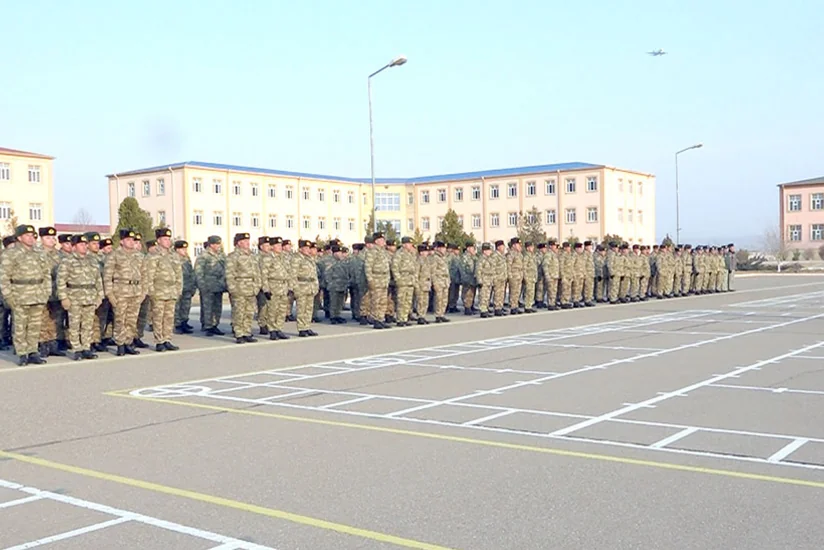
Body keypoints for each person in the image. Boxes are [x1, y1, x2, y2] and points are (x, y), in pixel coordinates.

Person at [0, 225, 51, 365]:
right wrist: (8, 296)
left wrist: (46, 292)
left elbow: (46, 274)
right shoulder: (10, 254)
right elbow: (4, 277)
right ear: (19, 237)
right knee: (20, 326)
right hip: (20, 294)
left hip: (38, 294)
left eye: (32, 235)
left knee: (35, 325)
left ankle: (33, 351)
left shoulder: (39, 253)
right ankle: (22, 353)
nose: (31, 238)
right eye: (27, 235)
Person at [56, 234, 104, 360]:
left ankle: (86, 347)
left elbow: (98, 279)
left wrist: (100, 295)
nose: (84, 246)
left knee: (88, 324)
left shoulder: (92, 260)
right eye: (81, 244)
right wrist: (63, 298)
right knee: (74, 324)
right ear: (74, 246)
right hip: (74, 297)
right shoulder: (68, 261)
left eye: (85, 244)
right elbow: (61, 281)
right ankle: (77, 349)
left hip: (90, 296)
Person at [145, 228, 183, 351]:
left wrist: (178, 289)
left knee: (169, 317)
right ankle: (159, 341)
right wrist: (151, 291)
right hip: (159, 290)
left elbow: (179, 274)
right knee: (158, 317)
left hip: (171, 290)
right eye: (165, 239)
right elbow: (149, 275)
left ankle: (167, 339)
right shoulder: (153, 256)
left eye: (168, 239)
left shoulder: (173, 255)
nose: (168, 241)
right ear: (159, 240)